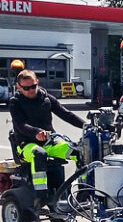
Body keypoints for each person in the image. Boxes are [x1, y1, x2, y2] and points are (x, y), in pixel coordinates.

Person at [8, 70, 85, 203]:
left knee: (80, 152)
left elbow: (66, 114)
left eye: (33, 86)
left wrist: (86, 126)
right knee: (39, 154)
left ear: (37, 82)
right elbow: (20, 125)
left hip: (49, 143)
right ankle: (40, 197)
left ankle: (84, 192)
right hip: (27, 145)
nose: (31, 90)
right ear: (19, 87)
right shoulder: (15, 102)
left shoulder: (46, 98)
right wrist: (36, 132)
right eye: (26, 88)